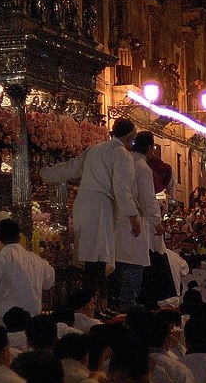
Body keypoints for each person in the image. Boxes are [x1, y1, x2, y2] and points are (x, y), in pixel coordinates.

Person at [40, 118, 140, 310]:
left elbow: (71, 168)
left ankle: (94, 304)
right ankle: (93, 304)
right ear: (129, 137)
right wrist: (132, 215)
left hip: (83, 205)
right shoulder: (121, 154)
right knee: (98, 259)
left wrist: (44, 174)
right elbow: (121, 188)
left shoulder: (95, 149)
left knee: (92, 258)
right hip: (100, 206)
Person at [114, 131, 162, 311]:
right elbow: (148, 198)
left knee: (120, 260)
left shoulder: (123, 161)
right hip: (133, 219)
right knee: (134, 262)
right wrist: (156, 222)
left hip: (117, 218)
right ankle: (127, 303)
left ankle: (115, 300)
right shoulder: (142, 167)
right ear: (150, 148)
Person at [0, 218, 55, 322]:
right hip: (33, 323)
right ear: (19, 238)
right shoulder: (36, 259)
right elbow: (50, 280)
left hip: (6, 323)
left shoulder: (1, 258)